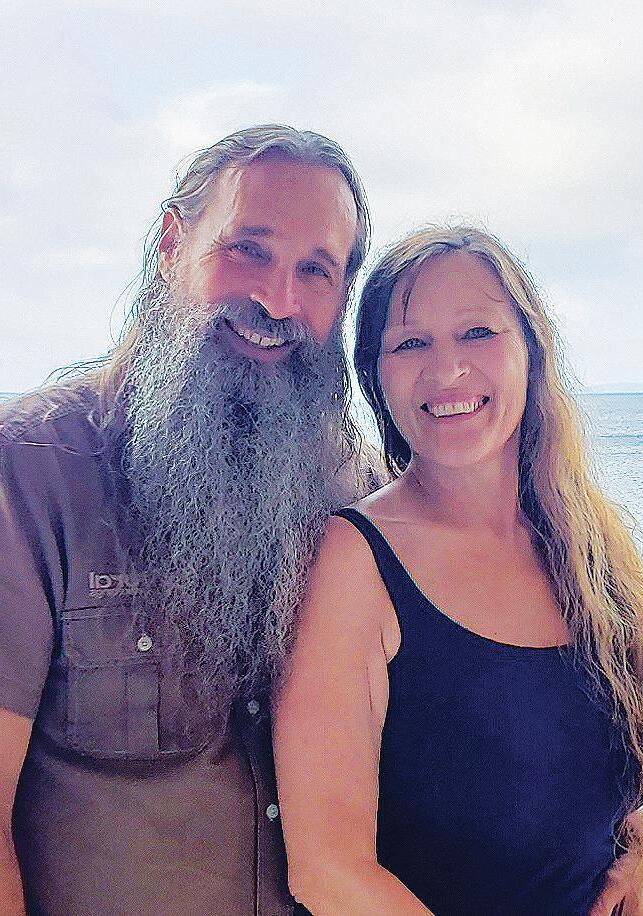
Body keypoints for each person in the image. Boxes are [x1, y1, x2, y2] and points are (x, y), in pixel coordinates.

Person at [273, 226, 643, 915]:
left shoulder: (582, 538)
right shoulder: (355, 562)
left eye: (478, 333)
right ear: (375, 374)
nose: (447, 371)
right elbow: (328, 870)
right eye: (410, 343)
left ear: (532, 349)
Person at [0, 124, 373, 915]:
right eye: (248, 250)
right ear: (173, 244)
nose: (278, 300)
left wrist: (642, 822)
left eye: (315, 270)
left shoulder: (362, 490)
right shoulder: (30, 473)